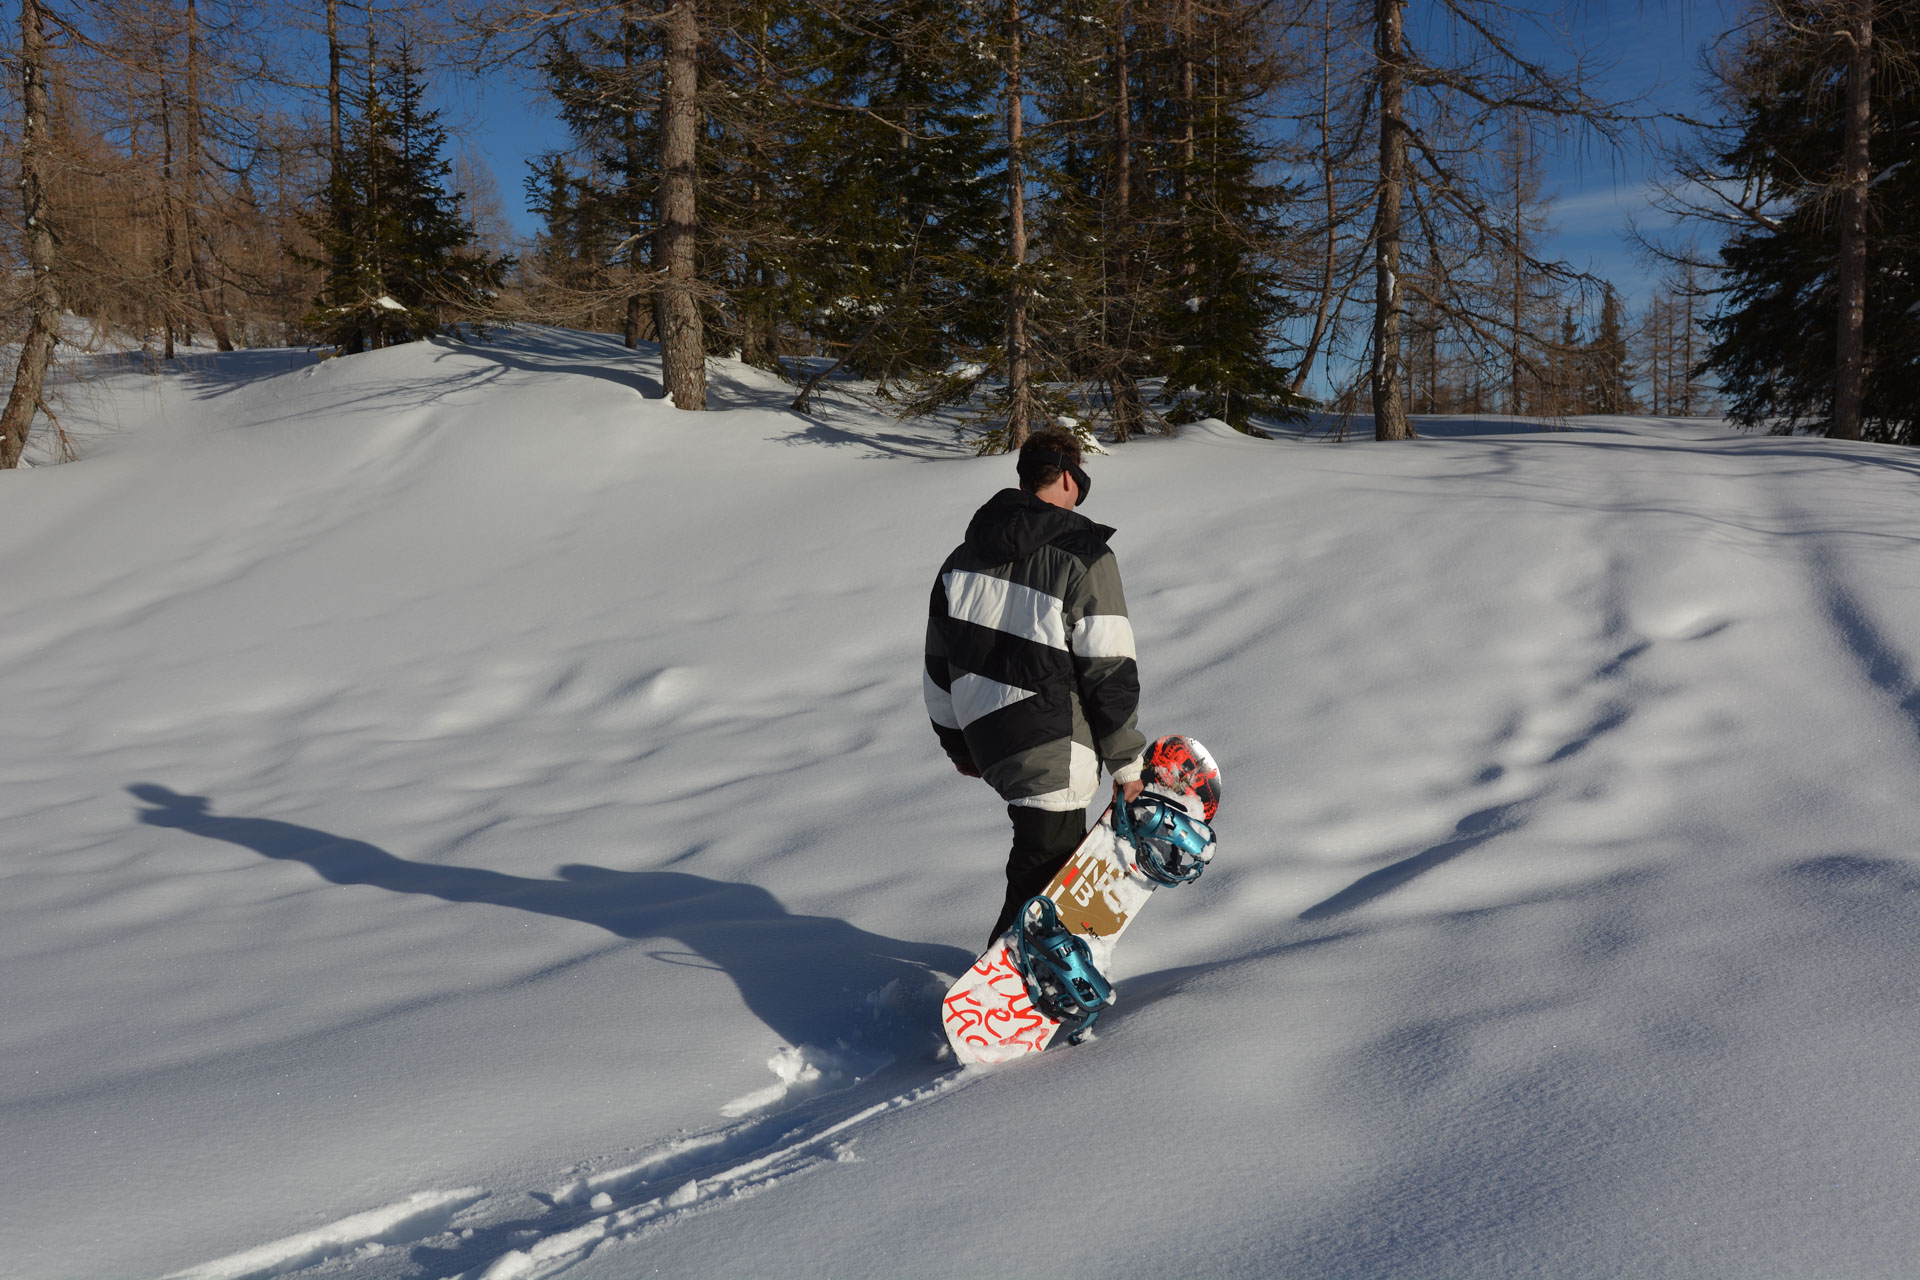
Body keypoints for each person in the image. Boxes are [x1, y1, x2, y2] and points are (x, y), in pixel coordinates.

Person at [924, 427, 1147, 947]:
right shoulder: (1084, 555)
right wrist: (1127, 764)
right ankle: (1009, 974)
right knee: (1045, 876)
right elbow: (1108, 666)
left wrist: (958, 744)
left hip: (988, 739)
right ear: (1069, 478)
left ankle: (1029, 967)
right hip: (1052, 745)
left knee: (1044, 862)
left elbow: (938, 666)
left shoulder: (960, 560)